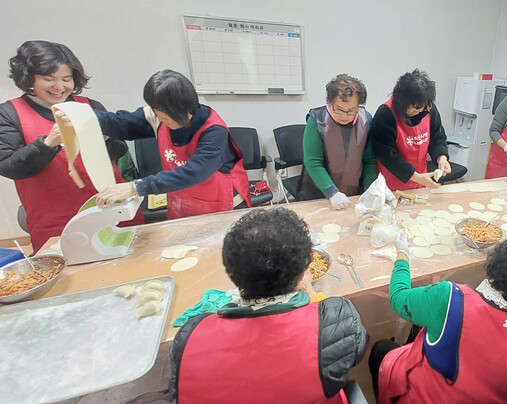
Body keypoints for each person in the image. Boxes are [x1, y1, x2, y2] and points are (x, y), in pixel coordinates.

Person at [169, 208, 368, 403]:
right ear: (302, 275)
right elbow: (357, 351)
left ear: (232, 274)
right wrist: (313, 294)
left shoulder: (189, 336)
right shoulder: (336, 320)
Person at [370, 232, 507, 403]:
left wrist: (402, 255)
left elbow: (398, 297)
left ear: (497, 264)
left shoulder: (449, 299)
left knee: (382, 350)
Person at [0, 40, 142, 252]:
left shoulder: (89, 106)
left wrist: (101, 135)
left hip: (110, 209)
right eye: (49, 79)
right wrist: (50, 142)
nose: (59, 87)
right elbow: (10, 167)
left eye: (66, 79)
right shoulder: (9, 114)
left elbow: (119, 150)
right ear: (28, 78)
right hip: (56, 221)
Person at [57, 69, 251, 219]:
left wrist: (136, 187)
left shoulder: (213, 131)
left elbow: (193, 172)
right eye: (158, 112)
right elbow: (120, 123)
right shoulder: (157, 116)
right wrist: (84, 118)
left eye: (167, 115)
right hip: (183, 203)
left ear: (186, 108)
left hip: (222, 205)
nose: (161, 119)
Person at [298, 74, 377, 209]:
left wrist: (372, 188)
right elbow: (313, 162)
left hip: (353, 191)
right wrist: (332, 192)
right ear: (330, 102)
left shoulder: (365, 120)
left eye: (351, 111)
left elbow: (369, 160)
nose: (344, 116)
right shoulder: (317, 119)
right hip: (319, 192)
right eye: (339, 109)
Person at [370, 69, 452, 190]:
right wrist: (415, 176)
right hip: (391, 184)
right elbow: (386, 154)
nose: (416, 112)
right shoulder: (386, 113)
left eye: (420, 108)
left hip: (421, 180)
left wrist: (442, 158)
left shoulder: (429, 109)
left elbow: (438, 138)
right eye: (412, 109)